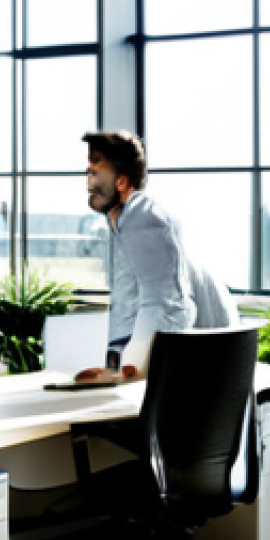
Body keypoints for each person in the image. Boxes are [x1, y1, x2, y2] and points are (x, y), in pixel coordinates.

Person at [75, 130, 196, 384]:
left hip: (194, 362)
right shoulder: (120, 222)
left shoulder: (144, 218)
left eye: (95, 174)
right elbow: (126, 296)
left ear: (121, 182)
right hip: (162, 356)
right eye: (88, 173)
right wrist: (115, 360)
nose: (88, 183)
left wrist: (133, 365)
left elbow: (163, 301)